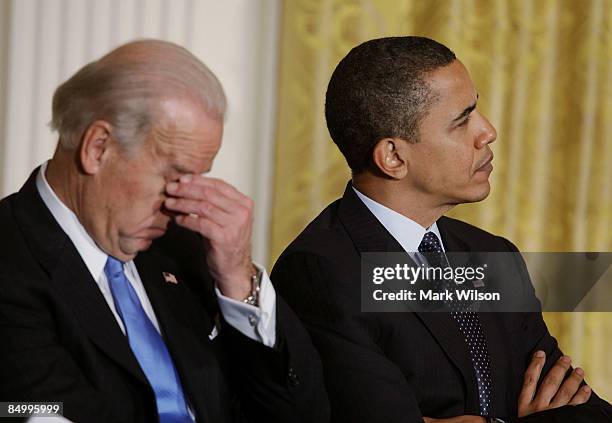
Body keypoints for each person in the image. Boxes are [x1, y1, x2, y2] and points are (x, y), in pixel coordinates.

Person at [271, 36, 612, 422]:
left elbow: (591, 411)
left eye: (476, 110)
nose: (488, 132)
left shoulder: (493, 254)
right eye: (462, 120)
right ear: (394, 157)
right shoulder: (319, 272)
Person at [0, 40, 328, 423]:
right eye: (174, 176)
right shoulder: (11, 258)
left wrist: (238, 279)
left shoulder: (187, 250)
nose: (182, 200)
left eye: (196, 179)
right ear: (98, 147)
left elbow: (303, 413)